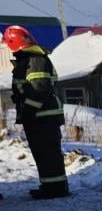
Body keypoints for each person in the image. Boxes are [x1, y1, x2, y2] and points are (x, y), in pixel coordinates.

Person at [5, 25, 69, 199]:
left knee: (48, 154)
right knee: (42, 154)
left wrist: (28, 109)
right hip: (37, 116)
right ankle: (49, 187)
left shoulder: (35, 60)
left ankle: (56, 189)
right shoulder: (27, 60)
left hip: (43, 116)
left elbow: (39, 88)